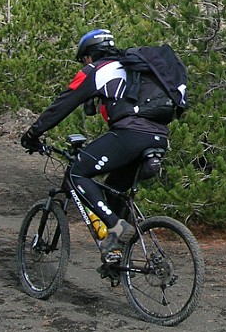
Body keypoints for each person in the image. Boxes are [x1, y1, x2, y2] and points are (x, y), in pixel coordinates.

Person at [20, 28, 169, 260]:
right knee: (115, 191)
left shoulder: (97, 69)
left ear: (89, 55)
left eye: (84, 59)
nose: (84, 63)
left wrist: (33, 134)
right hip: (159, 137)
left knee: (76, 173)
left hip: (131, 135)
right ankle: (116, 253)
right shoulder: (132, 67)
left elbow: (63, 104)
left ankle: (116, 226)